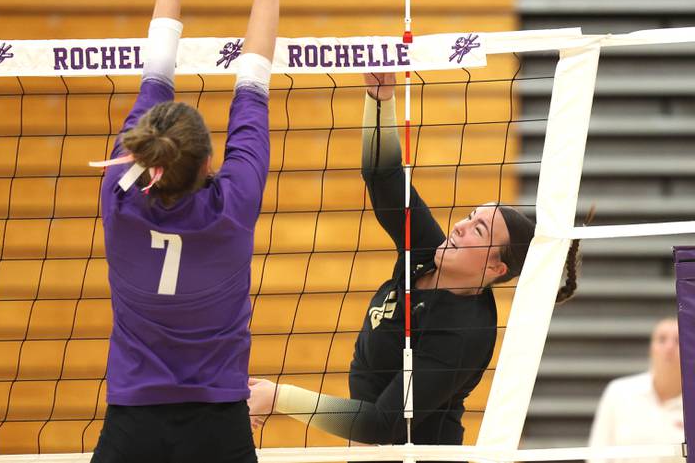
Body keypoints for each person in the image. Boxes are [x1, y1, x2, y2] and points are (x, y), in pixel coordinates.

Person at [248, 72, 581, 451]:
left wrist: (279, 398)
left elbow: (383, 424)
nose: (460, 226)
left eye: (479, 230)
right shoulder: (427, 252)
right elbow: (383, 175)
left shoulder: (463, 332)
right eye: (471, 215)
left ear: (495, 268)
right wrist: (379, 98)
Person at [90, 0, 302, 463]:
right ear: (211, 163)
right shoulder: (232, 205)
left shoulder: (119, 193)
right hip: (218, 427)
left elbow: (154, 78)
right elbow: (252, 86)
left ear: (141, 151)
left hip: (133, 425)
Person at [588, 317, 684, 463]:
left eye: (678, 340)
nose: (669, 347)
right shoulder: (618, 392)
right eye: (662, 339)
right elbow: (597, 454)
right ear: (651, 348)